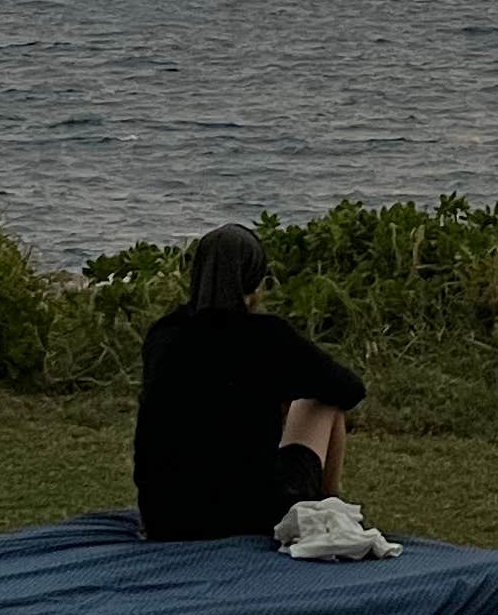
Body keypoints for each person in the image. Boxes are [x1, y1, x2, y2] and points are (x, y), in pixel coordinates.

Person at [134, 223, 372, 544]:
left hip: (165, 517)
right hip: (249, 513)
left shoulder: (163, 333)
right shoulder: (268, 336)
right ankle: (328, 507)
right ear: (255, 282)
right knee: (324, 402)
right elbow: (349, 389)